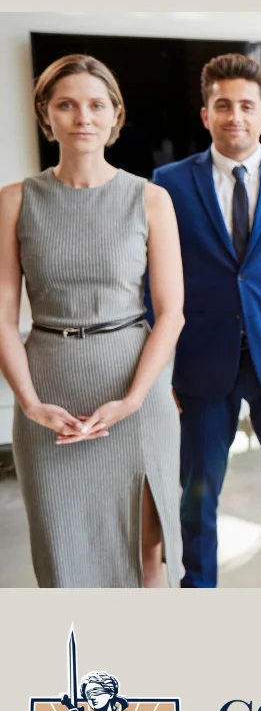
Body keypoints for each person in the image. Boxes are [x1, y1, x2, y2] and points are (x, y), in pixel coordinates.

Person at [0, 55, 184, 588]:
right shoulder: (14, 202)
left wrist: (132, 398)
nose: (82, 116)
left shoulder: (151, 199)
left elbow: (170, 314)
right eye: (67, 104)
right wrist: (30, 404)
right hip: (48, 396)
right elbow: (3, 319)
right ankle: (84, 670)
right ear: (46, 115)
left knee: (144, 553)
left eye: (96, 104)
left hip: (135, 392)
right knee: (63, 559)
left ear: (115, 116)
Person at [152, 53, 261, 589]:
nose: (235, 117)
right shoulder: (167, 184)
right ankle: (198, 590)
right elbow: (151, 284)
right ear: (205, 114)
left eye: (246, 106)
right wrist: (163, 374)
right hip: (200, 365)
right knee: (197, 495)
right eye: (222, 105)